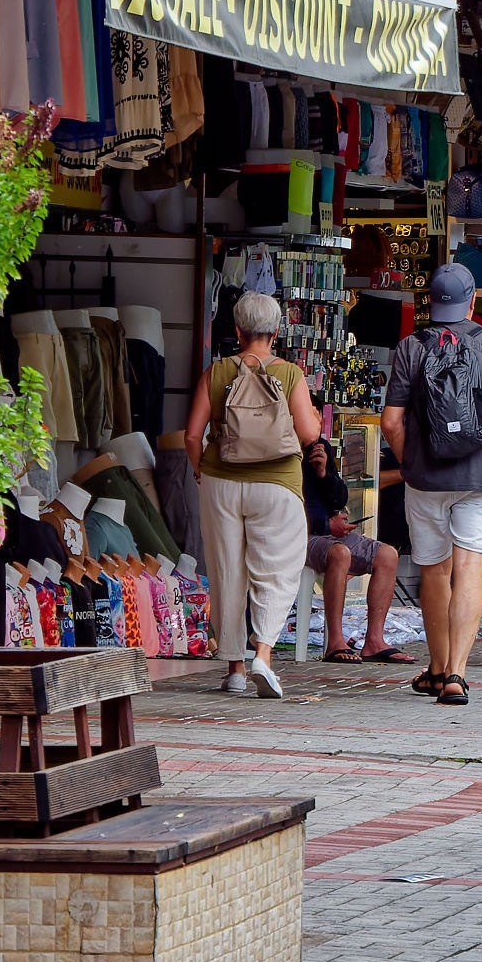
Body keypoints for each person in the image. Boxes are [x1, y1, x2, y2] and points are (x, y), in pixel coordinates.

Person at [381, 264, 482, 707]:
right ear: (473, 302)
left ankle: (435, 665)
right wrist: (478, 430)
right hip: (480, 477)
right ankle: (456, 676)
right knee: (469, 568)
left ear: (432, 302)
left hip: (426, 480)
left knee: (434, 570)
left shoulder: (411, 347)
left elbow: (391, 421)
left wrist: (414, 458)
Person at [184, 291, 324, 699]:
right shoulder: (290, 374)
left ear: (237, 330)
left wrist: (200, 470)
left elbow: (193, 435)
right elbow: (309, 433)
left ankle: (234, 668)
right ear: (277, 331)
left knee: (228, 571)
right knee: (277, 569)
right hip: (278, 485)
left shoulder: (216, 373)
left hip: (221, 484)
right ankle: (263, 652)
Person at [302, 438, 404, 663]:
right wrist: (326, 525)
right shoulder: (286, 448)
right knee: (340, 553)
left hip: (329, 530)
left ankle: (374, 640)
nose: (316, 424)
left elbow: (340, 497)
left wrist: (324, 473)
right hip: (300, 532)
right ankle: (335, 642)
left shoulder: (319, 447)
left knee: (387, 555)